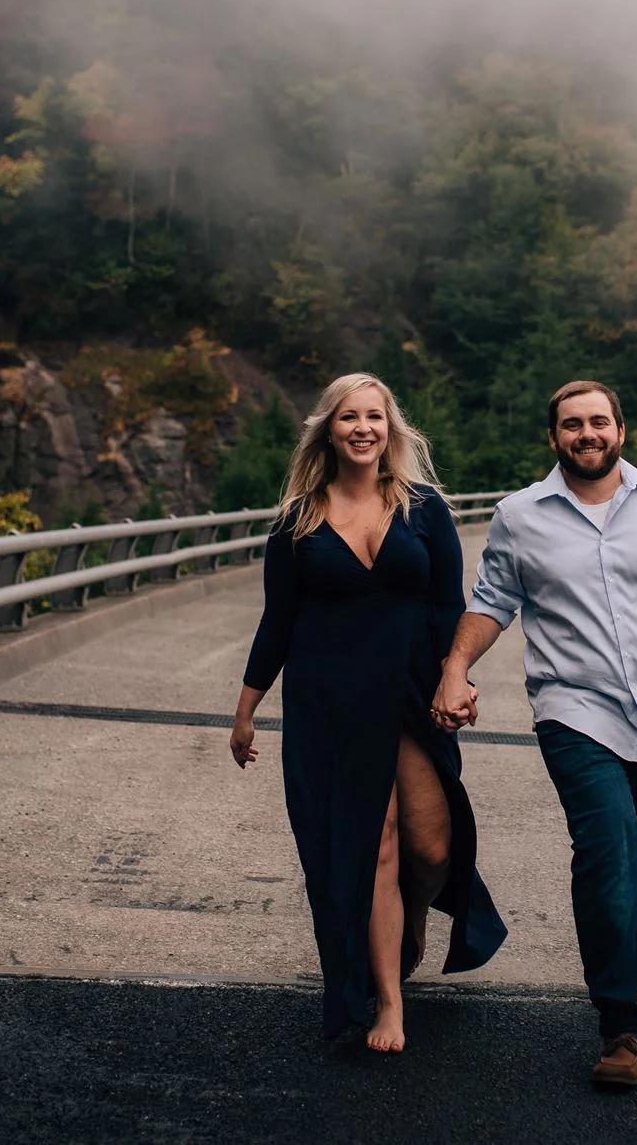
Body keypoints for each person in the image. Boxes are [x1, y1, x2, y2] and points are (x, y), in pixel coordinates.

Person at [431, 380, 637, 1091]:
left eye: (598, 421)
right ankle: (621, 1023)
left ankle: (616, 951)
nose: (587, 433)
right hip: (573, 709)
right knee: (608, 848)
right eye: (572, 424)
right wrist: (455, 668)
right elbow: (492, 601)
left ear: (620, 430)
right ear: (554, 437)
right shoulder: (520, 515)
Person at [231, 372, 506, 1052]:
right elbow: (277, 622)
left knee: (431, 847)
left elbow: (448, 608)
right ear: (328, 430)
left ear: (391, 428)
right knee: (373, 843)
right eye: (349, 417)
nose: (363, 428)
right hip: (330, 702)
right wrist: (246, 711)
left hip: (411, 693)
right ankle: (387, 1002)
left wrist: (455, 679)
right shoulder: (297, 520)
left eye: (374, 416)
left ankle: (412, 919)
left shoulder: (425, 509)